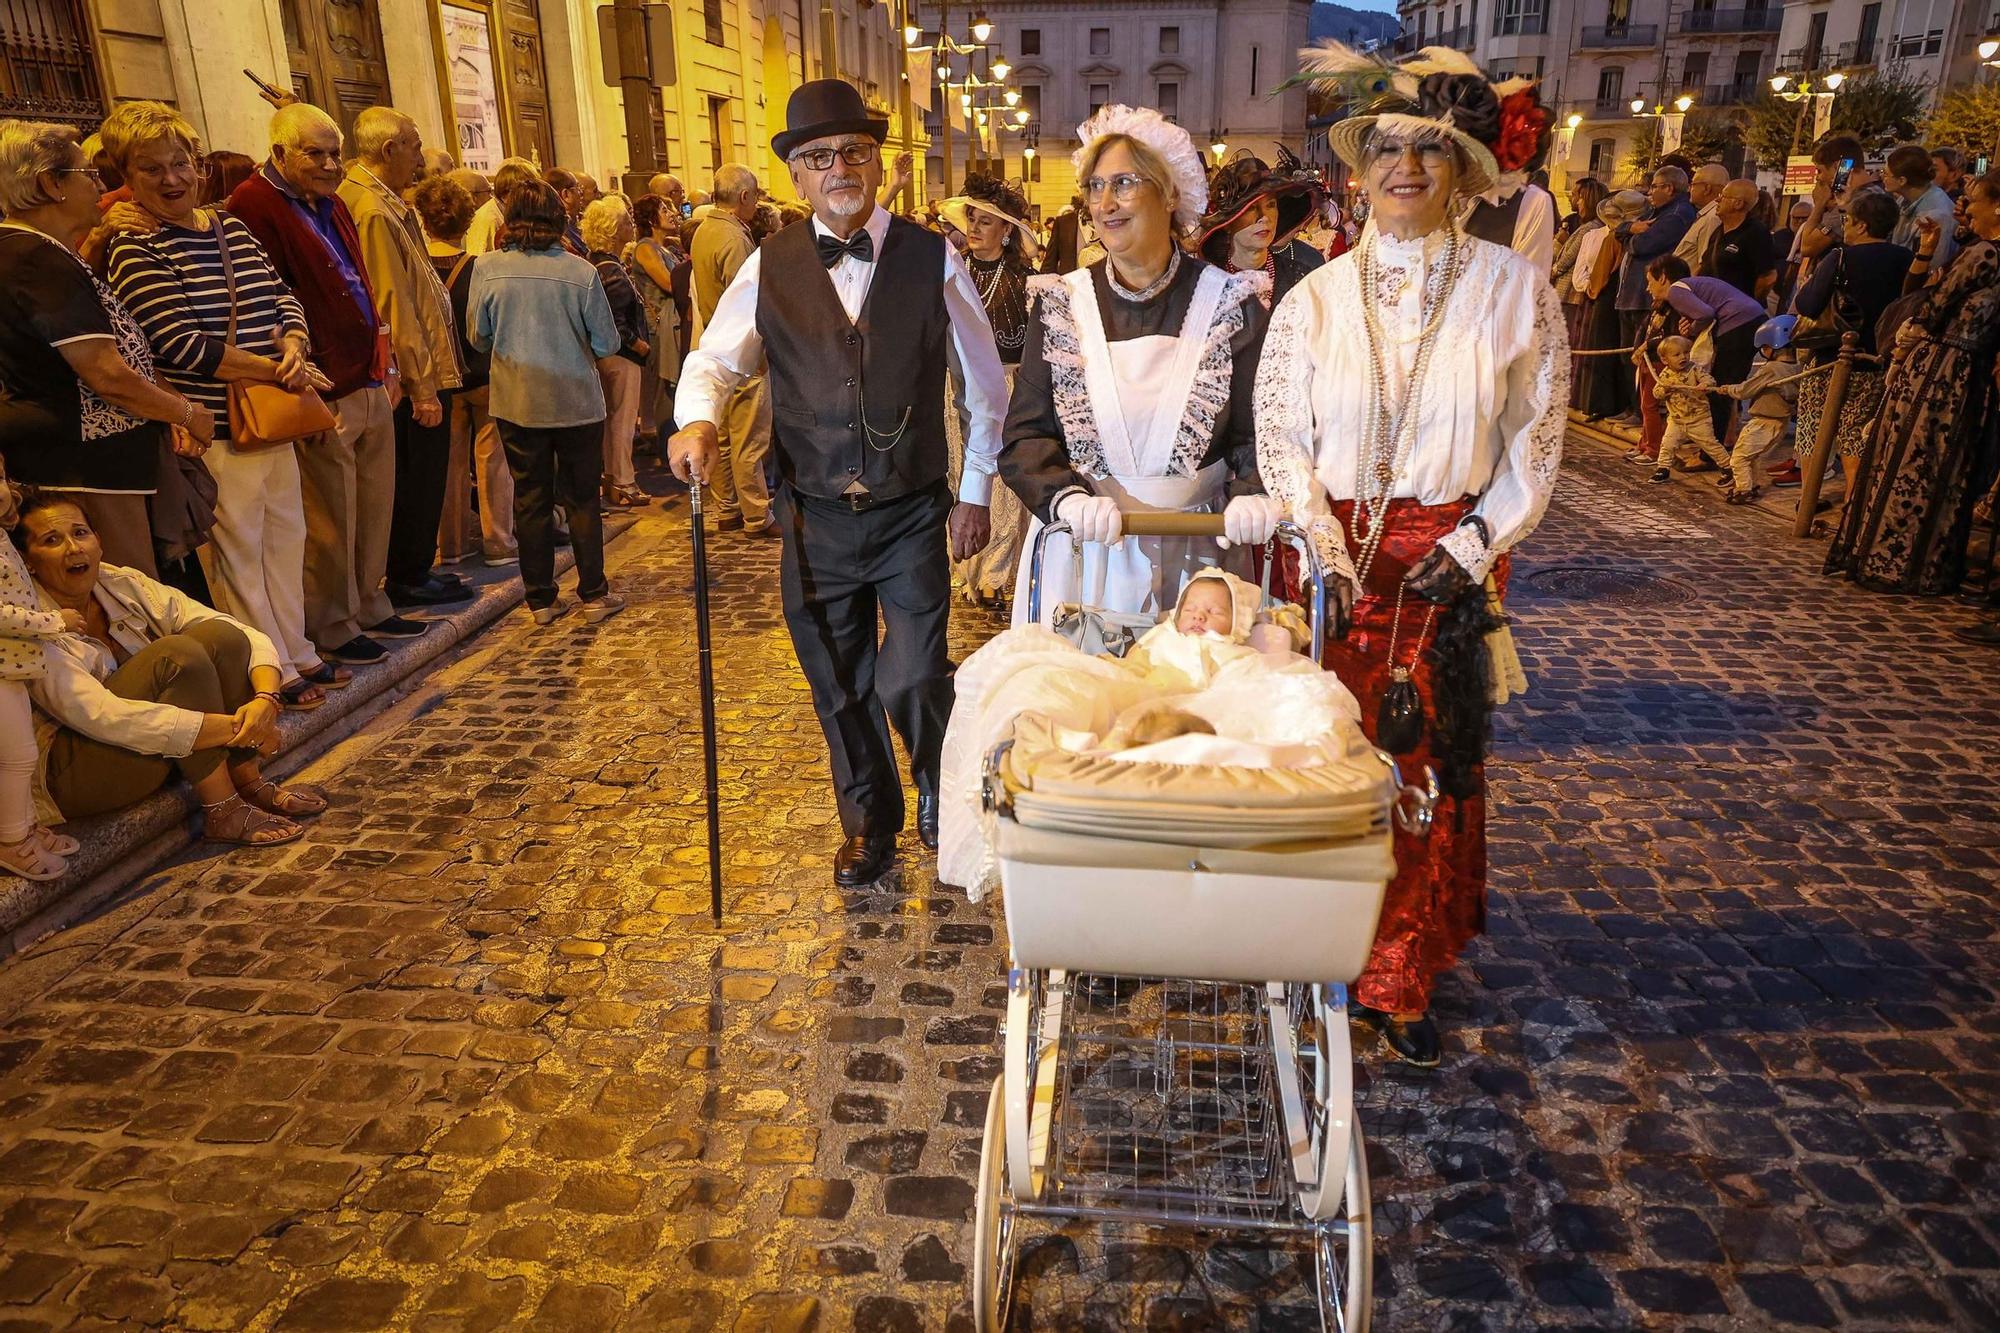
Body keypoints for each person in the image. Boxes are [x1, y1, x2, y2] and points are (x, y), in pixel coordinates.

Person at [1253, 63, 1567, 1066]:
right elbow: (1279, 434)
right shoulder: (1313, 298)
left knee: (1417, 772)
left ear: (1463, 171)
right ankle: (1314, 954)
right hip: (1333, 570)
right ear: (1358, 171)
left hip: (1441, 571)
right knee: (1325, 765)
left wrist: (1474, 544)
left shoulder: (1515, 294)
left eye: (1425, 147)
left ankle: (1397, 972)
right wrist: (1322, 541)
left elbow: (1535, 442)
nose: (1402, 165)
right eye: (1384, 147)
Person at [669, 78, 1009, 889]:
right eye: (819, 158)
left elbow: (985, 383)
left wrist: (975, 490)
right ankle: (870, 823)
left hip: (908, 511)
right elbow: (714, 360)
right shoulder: (770, 264)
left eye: (853, 153)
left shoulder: (934, 257)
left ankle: (935, 774)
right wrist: (698, 419)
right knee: (838, 679)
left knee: (915, 671)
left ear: (878, 164)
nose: (838, 169)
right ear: (796, 177)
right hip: (814, 516)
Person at [100, 101, 340, 712]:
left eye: (181, 163)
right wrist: (276, 368)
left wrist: (293, 343)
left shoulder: (229, 227)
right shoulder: (135, 247)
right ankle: (269, 667)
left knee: (286, 537)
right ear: (125, 174)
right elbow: (177, 342)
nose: (172, 179)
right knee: (238, 549)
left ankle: (299, 646)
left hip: (274, 413)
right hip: (216, 426)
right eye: (151, 169)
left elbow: (282, 295)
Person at [999, 104, 1275, 628]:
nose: (1105, 203)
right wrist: (1066, 499)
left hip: (1198, 568)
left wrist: (1252, 492)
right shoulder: (1062, 304)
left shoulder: (1226, 304)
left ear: (1170, 193)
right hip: (1082, 557)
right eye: (1095, 187)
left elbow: (1254, 433)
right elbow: (1025, 436)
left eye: (1125, 183)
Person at [228, 103, 432, 687]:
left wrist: (384, 358)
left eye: (333, 153)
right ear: (280, 154)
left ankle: (371, 601)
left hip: (365, 371)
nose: (327, 164)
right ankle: (335, 622)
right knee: (332, 513)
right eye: (313, 154)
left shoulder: (334, 202)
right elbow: (271, 296)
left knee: (373, 501)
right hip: (321, 380)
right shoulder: (253, 206)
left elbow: (361, 282)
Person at [16, 491, 326, 844]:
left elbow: (240, 633)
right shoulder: (33, 623)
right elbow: (102, 716)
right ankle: (223, 809)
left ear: (99, 541)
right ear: (27, 561)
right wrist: (240, 728)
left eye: (81, 533)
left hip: (146, 743)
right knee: (176, 655)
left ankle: (247, 783)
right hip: (72, 775)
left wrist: (267, 700)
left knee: (220, 637)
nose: (74, 549)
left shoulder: (120, 581)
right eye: (52, 540)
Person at [0, 118, 216, 577]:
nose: (101, 184)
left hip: (98, 463)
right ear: (50, 184)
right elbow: (106, 373)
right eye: (86, 173)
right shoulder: (34, 258)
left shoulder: (43, 250)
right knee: (125, 597)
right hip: (85, 468)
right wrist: (184, 411)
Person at [1825, 170, 2000, 596]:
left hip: (1942, 372)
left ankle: (1896, 560)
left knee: (1914, 464)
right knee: (1932, 467)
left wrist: (1910, 339)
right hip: (1958, 371)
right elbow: (1921, 293)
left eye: (1974, 198)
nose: (1965, 205)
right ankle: (1916, 561)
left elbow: (1933, 307)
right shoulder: (1977, 251)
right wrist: (1929, 249)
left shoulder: (1986, 256)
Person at [466, 182, 622, 626]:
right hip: (575, 400)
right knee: (581, 499)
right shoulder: (581, 272)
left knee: (530, 498)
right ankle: (593, 594)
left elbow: (477, 335)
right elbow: (606, 340)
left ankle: (540, 601)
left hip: (517, 400)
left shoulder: (488, 269)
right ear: (557, 219)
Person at [338, 108, 469, 611]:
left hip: (421, 368)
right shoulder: (371, 208)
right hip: (414, 375)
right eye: (414, 145)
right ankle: (408, 572)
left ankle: (414, 568)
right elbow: (393, 300)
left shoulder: (385, 201)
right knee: (416, 476)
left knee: (423, 474)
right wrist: (422, 383)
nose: (420, 155)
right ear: (390, 149)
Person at [934, 174, 1036, 610]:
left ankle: (994, 572)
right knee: (962, 473)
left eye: (986, 223)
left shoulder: (1025, 281)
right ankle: (965, 566)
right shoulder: (951, 274)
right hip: (954, 387)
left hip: (1009, 387)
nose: (974, 229)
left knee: (1004, 483)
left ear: (1007, 231)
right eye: (971, 220)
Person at [412, 174, 516, 569]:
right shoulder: (483, 267)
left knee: (450, 465)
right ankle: (499, 541)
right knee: (493, 461)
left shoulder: (417, 266)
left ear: (424, 220)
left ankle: (452, 546)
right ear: (468, 220)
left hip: (440, 378)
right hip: (485, 373)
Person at [1792, 190, 1912, 496]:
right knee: (1856, 430)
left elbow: (1807, 304)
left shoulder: (1840, 256)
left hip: (1829, 354)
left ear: (1861, 225)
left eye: (1848, 220)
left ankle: (1809, 497)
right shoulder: (1905, 259)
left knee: (1812, 426)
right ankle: (1852, 499)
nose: (1844, 226)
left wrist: (1807, 285)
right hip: (1875, 355)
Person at [0, 466, 80, 881]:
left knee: (21, 753)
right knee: (16, 757)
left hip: (13, 664)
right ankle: (12, 841)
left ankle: (25, 827)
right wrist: (53, 622)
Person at [689, 164, 775, 536]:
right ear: (744, 197)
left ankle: (727, 508)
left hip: (715, 339)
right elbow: (749, 304)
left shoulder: (704, 230)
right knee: (748, 439)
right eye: (755, 196)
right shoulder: (735, 239)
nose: (756, 203)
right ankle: (756, 515)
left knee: (724, 435)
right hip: (742, 353)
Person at [1649, 254, 1766, 441]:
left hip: (1737, 324)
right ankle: (1727, 440)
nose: (1648, 288)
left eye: (1650, 281)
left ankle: (1710, 454)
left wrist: (1694, 328)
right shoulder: (1690, 286)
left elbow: (1706, 314)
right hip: (1753, 319)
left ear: (1662, 278)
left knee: (1719, 388)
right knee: (1730, 386)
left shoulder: (1675, 290)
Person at [1612, 166, 1696, 423]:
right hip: (1631, 294)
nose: (1649, 192)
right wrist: (1630, 229)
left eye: (1655, 186)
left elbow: (1642, 245)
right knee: (1630, 355)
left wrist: (1631, 235)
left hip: (1645, 296)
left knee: (1644, 357)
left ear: (1669, 188)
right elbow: (1622, 230)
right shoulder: (1654, 212)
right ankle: (1632, 407)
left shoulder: (1678, 215)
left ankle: (1642, 413)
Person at [581, 197, 650, 509]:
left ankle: (613, 481)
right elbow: (613, 320)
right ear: (612, 228)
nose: (630, 226)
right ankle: (623, 481)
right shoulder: (608, 268)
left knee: (613, 422)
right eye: (625, 221)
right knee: (621, 422)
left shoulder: (595, 262)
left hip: (605, 356)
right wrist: (638, 344)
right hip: (620, 358)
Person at [1194, 151, 1325, 308]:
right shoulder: (1206, 282)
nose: (1264, 217)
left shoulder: (1300, 278)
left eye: (1270, 205)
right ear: (1229, 222)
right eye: (1251, 208)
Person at [1719, 314, 1800, 503]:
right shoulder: (1796, 367)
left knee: (1739, 457)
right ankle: (1751, 484)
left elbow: (1745, 390)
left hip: (1763, 422)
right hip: (1780, 422)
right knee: (1752, 456)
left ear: (1773, 346)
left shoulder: (1771, 369)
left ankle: (1743, 489)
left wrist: (1728, 389)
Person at [1577, 189, 1642, 422]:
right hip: (1617, 298)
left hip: (1606, 301)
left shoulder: (1615, 238)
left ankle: (1602, 403)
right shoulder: (1626, 237)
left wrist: (1592, 290)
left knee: (1605, 351)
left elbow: (1600, 274)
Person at [627, 194, 684, 456]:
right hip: (658, 327)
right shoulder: (645, 248)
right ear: (651, 219)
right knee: (664, 386)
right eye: (665, 209)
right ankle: (665, 444)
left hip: (672, 324)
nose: (672, 212)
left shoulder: (666, 247)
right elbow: (669, 283)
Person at [1643, 335, 1729, 482]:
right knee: (1667, 445)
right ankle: (1662, 469)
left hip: (1699, 418)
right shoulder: (1664, 375)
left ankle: (1728, 467)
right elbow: (1656, 393)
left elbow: (1710, 380)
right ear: (1665, 360)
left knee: (1711, 445)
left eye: (1686, 352)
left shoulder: (1694, 369)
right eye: (1677, 355)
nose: (1683, 357)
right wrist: (1664, 390)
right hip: (1677, 420)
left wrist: (1705, 385)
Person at [1883, 144, 1958, 272]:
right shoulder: (1905, 199)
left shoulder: (1935, 216)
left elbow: (1933, 267)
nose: (1882, 177)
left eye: (1885, 174)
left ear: (1902, 180)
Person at [1705, 179, 1775, 303]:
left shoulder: (1756, 233)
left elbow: (1768, 277)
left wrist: (1748, 304)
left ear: (1738, 203)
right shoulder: (1718, 231)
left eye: (1723, 196)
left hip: (1737, 312)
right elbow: (1705, 266)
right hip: (1712, 308)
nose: (1717, 200)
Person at [465, 158, 539, 254]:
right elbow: (478, 258)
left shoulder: (521, 213)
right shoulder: (488, 218)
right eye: (527, 190)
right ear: (505, 194)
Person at [1674, 163, 1732, 269]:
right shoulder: (1707, 215)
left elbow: (1704, 263)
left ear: (1707, 189)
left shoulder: (1713, 218)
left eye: (1693, 184)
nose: (1689, 189)